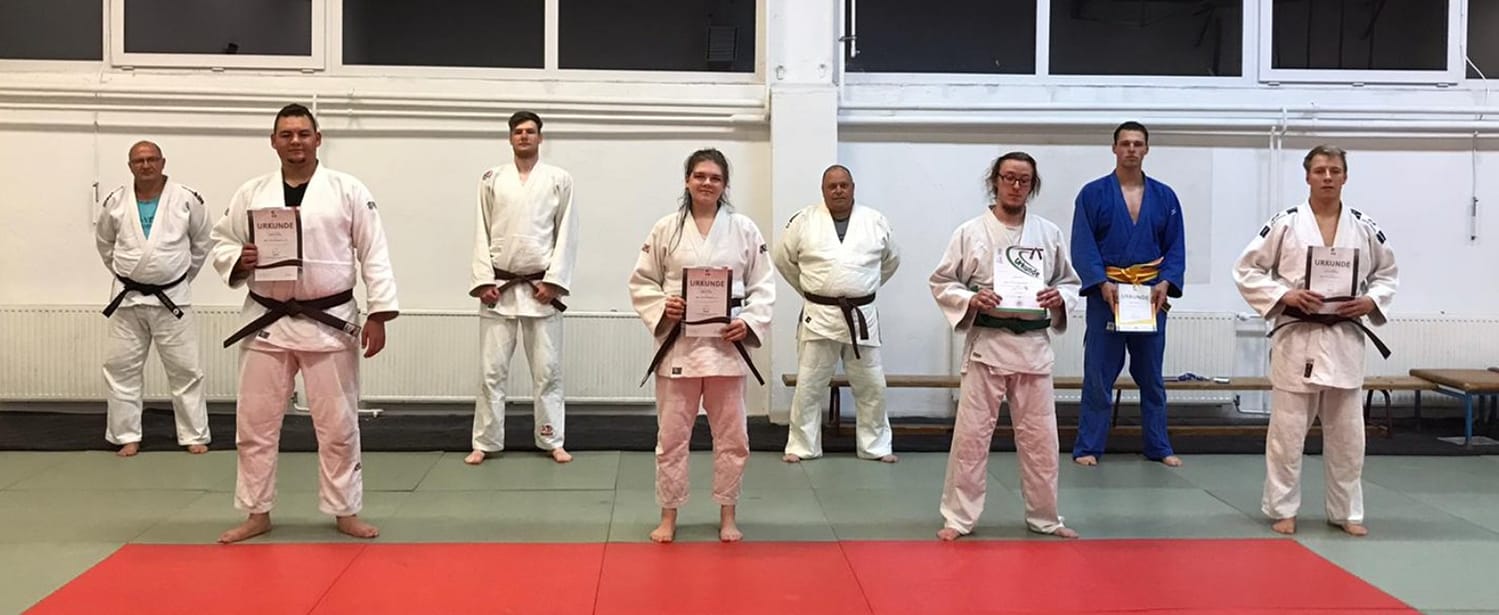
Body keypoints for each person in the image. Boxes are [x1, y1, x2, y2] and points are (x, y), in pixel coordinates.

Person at [211, 103, 398, 543]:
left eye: (302, 133)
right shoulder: (252, 192)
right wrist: (240, 258)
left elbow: (373, 251)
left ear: (318, 138)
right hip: (266, 321)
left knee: (338, 425)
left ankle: (345, 510)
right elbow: (222, 240)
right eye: (286, 134)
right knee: (255, 425)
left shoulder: (347, 189)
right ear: (273, 141)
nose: (295, 141)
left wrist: (379, 312)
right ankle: (257, 511)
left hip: (329, 320)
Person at [1234, 145, 1397, 537]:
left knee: (1348, 436)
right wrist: (1284, 295)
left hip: (1344, 337)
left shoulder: (1364, 226)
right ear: (1307, 176)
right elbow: (1246, 269)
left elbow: (1387, 273)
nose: (1327, 177)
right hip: (1298, 336)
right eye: (1320, 170)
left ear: (1345, 177)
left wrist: (1371, 300)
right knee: (1287, 434)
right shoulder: (1285, 223)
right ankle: (1283, 508)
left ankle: (1346, 512)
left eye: (1334, 170)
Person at [930, 152, 1080, 541]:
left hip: (1033, 347)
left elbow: (1069, 282)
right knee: (971, 437)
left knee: (1041, 439)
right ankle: (959, 518)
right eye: (1008, 177)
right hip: (987, 345)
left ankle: (1045, 517)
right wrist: (971, 299)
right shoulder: (969, 232)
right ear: (994, 181)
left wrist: (1058, 297)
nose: (1015, 186)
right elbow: (942, 281)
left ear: (1032, 186)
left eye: (1023, 180)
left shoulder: (1048, 233)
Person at [628, 148, 774, 543]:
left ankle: (728, 513)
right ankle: (668, 514)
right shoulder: (666, 228)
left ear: (725, 185)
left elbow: (763, 285)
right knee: (672, 437)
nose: (707, 183)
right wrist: (664, 306)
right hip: (680, 346)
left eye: (715, 177)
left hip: (727, 346)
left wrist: (748, 321)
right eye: (700, 176)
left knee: (733, 438)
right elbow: (642, 280)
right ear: (687, 181)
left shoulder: (743, 228)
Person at [1071, 121, 1186, 467]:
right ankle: (1088, 446)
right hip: (1107, 295)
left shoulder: (1165, 196)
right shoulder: (1092, 194)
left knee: (1151, 375)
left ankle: (1159, 446)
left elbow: (1176, 247)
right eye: (1125, 143)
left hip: (1150, 296)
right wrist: (1100, 283)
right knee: (1099, 374)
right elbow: (1083, 245)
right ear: (1114, 148)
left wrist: (1166, 282)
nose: (1131, 149)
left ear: (1146, 149)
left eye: (1138, 143)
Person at [467, 111, 579, 465]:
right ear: (510, 138)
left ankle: (552, 439)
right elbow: (481, 229)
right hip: (499, 287)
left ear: (540, 138)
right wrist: (483, 280)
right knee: (491, 372)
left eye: (531, 131)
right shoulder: (491, 178)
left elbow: (567, 233)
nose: (525, 136)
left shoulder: (559, 179)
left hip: (540, 288)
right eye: (518, 131)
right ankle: (485, 442)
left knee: (548, 371)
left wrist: (554, 283)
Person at [95, 141, 214, 457]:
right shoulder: (115, 201)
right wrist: (128, 275)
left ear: (162, 162)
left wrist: (178, 277)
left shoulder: (187, 198)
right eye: (139, 160)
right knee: (120, 367)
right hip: (127, 298)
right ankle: (126, 435)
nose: (145, 165)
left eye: (151, 159)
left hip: (172, 298)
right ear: (130, 166)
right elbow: (105, 244)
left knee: (186, 369)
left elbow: (202, 242)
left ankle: (193, 434)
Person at [776, 164, 900, 463]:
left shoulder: (875, 220)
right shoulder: (803, 220)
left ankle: (876, 446)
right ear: (823, 190)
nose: (838, 190)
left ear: (853, 187)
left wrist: (863, 287)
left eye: (844, 185)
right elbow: (783, 260)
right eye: (832, 186)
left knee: (872, 385)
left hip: (861, 315)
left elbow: (891, 260)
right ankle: (802, 446)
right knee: (809, 384)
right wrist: (813, 290)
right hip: (819, 314)